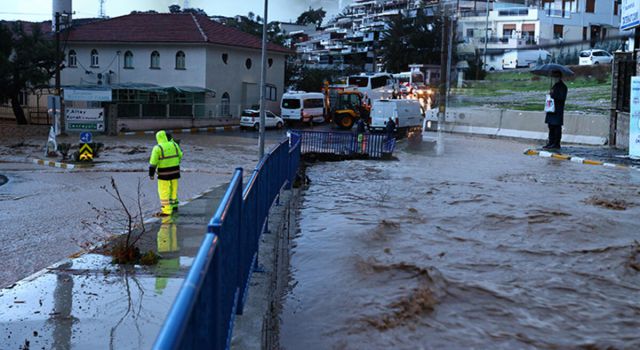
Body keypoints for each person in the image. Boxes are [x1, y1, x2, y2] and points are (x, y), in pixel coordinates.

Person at [149, 130, 183, 216]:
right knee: (173, 189)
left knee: (164, 191)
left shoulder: (157, 148)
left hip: (164, 174)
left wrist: (151, 174)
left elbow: (153, 163)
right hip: (175, 172)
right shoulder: (174, 144)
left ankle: (166, 211)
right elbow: (180, 155)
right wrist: (175, 162)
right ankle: (174, 206)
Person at [544, 70, 568, 149]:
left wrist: (553, 95)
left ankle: (556, 143)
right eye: (554, 76)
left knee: (557, 127)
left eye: (556, 76)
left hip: (557, 110)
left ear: (560, 77)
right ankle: (551, 142)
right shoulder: (554, 86)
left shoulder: (563, 87)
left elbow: (562, 98)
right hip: (551, 109)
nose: (555, 78)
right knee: (551, 127)